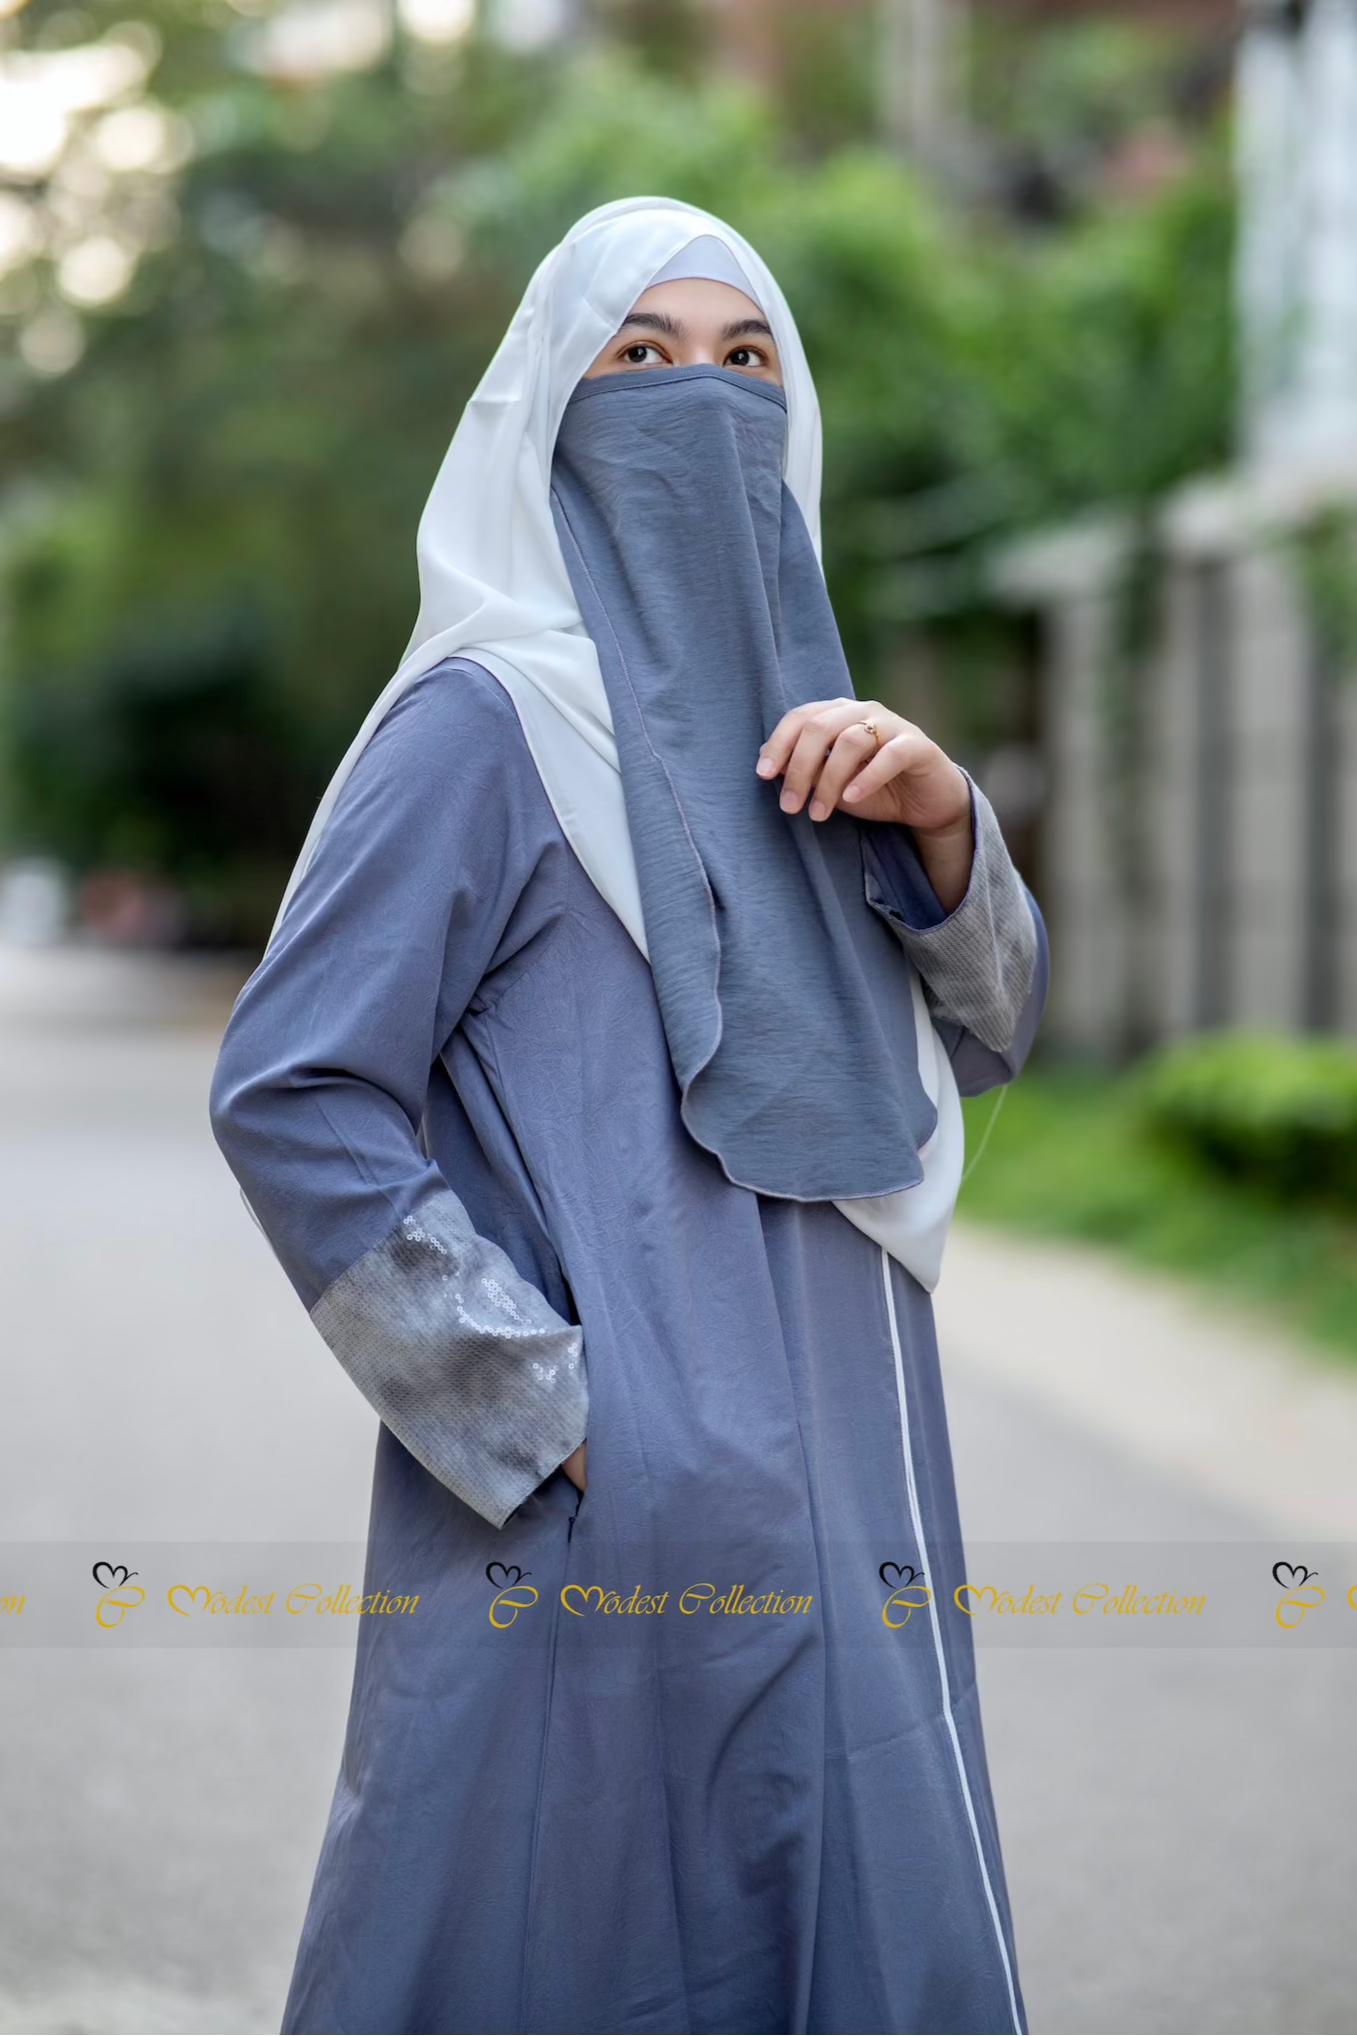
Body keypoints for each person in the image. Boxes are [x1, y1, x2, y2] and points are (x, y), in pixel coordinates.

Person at [210, 196, 1048, 2036]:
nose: (702, 399)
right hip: (595, 1508)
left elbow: (985, 1038)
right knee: (564, 1933)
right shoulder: (484, 726)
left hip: (854, 1467)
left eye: (747, 361)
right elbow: (294, 1088)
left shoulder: (819, 745)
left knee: (861, 1906)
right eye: (640, 358)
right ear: (546, 408)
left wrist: (942, 831)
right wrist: (556, 1413)